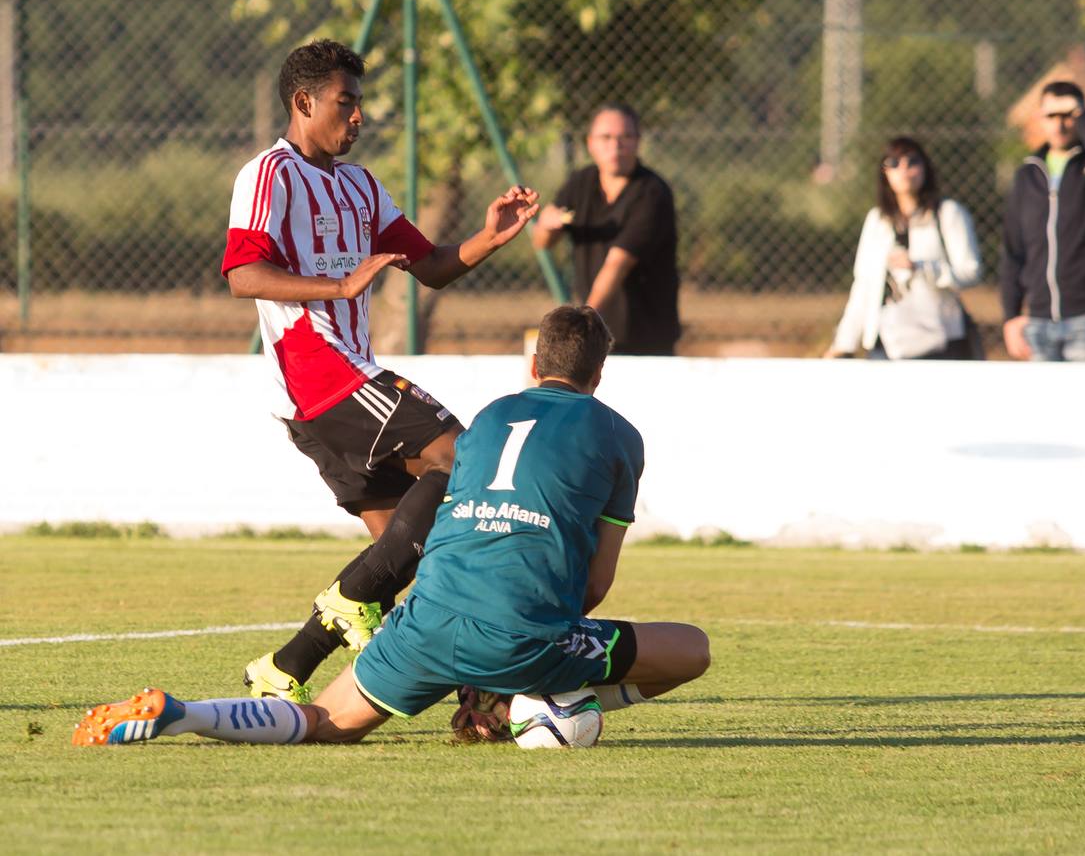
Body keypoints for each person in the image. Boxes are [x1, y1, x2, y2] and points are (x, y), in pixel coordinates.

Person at [72, 306, 711, 748]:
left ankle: (187, 715)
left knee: (323, 719)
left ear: (534, 364)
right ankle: (525, 704)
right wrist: (534, 673)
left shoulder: (486, 420)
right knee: (690, 650)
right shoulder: (620, 436)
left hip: (427, 616)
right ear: (600, 373)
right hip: (524, 635)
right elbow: (595, 584)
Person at [221, 39, 539, 702]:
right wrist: (336, 290)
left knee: (426, 552)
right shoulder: (270, 175)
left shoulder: (361, 186)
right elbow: (243, 274)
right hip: (324, 376)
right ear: (303, 102)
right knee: (464, 455)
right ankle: (349, 601)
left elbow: (432, 267)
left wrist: (489, 236)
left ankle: (289, 668)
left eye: (361, 102)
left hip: (341, 388)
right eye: (347, 102)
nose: (360, 116)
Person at [531, 103, 680, 355]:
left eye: (625, 137)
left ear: (637, 141)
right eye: (606, 137)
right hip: (596, 336)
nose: (615, 146)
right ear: (590, 143)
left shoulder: (653, 192)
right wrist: (546, 225)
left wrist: (583, 325)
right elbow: (542, 242)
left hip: (645, 337)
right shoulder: (581, 182)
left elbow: (617, 264)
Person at [1001, 80, 1085, 362]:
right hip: (1039, 320)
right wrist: (1011, 315)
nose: (1060, 125)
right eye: (1051, 116)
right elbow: (1013, 249)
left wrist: (1081, 116)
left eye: (1067, 116)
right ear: (1039, 119)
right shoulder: (1027, 175)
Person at [824, 137, 982, 359]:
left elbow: (970, 271)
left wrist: (923, 268)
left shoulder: (947, 213)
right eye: (894, 163)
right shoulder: (877, 220)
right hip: (886, 344)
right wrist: (844, 343)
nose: (904, 169)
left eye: (913, 161)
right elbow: (864, 285)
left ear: (926, 168)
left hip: (938, 341)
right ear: (884, 172)